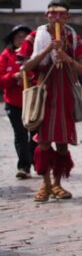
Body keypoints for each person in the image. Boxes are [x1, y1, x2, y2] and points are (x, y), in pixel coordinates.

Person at [18, 0, 82, 202]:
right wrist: (47, 49)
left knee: (62, 143)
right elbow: (25, 67)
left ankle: (57, 184)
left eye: (61, 14)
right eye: (52, 14)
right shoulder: (34, 37)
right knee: (42, 143)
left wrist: (67, 58)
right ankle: (45, 184)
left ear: (67, 16)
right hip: (44, 96)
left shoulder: (73, 37)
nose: (56, 18)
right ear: (46, 15)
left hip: (65, 94)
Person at [1, 25, 35, 180]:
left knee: (36, 135)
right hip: (14, 102)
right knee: (20, 134)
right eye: (18, 37)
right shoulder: (6, 55)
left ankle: (35, 160)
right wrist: (14, 77)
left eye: (25, 36)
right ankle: (24, 166)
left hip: (34, 100)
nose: (21, 40)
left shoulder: (36, 54)